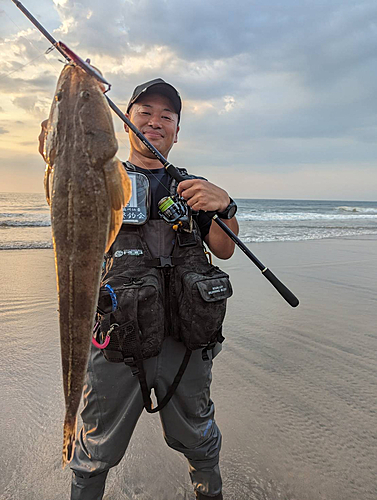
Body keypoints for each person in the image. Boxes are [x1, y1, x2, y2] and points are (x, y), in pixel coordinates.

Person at [39, 78, 239, 500]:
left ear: (178, 130)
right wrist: (53, 149)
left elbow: (223, 249)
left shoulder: (192, 187)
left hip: (186, 342)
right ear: (124, 122)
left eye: (166, 115)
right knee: (94, 448)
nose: (155, 121)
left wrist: (224, 205)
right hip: (119, 342)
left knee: (201, 439)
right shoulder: (104, 174)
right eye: (144, 112)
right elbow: (67, 202)